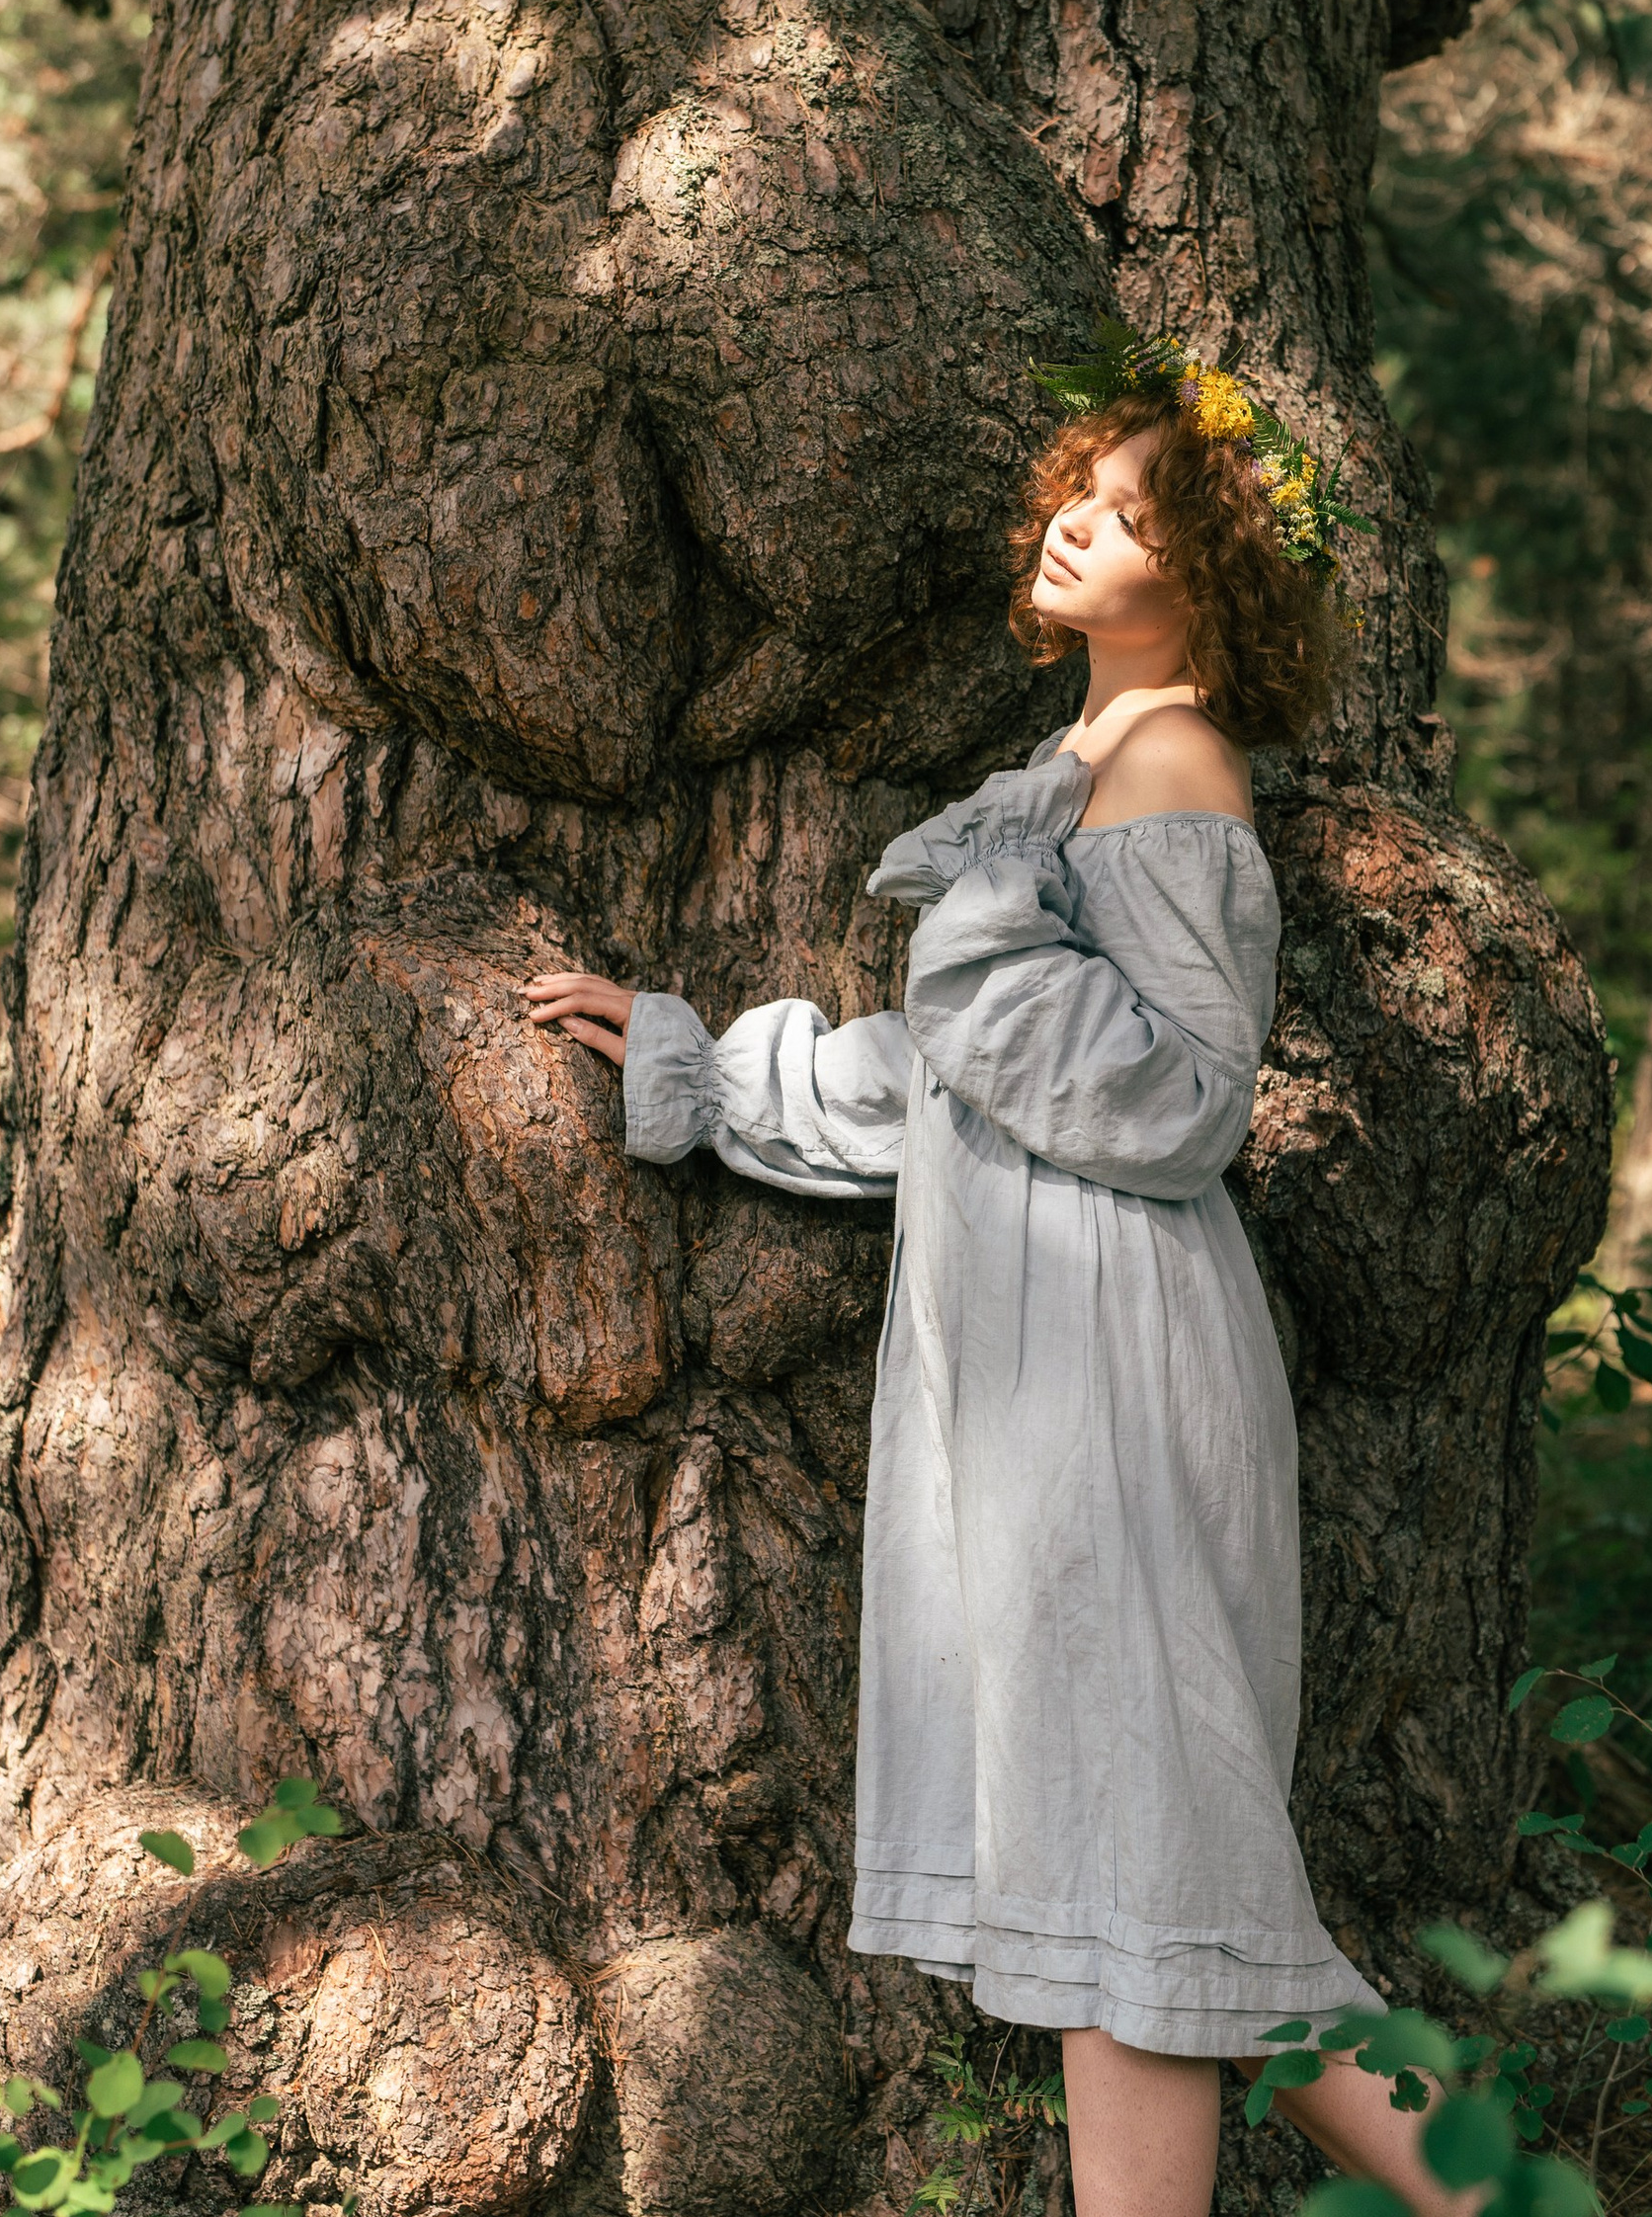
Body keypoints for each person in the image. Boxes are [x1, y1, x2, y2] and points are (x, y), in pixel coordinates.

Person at [531, 336, 1478, 2217]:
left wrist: (970, 964)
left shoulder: (1174, 758)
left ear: (1205, 580)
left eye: (1132, 518)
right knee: (1168, 1919)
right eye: (1084, 489)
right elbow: (965, 1079)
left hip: (1116, 1367)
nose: (1078, 524)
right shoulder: (1073, 768)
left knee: (1160, 1897)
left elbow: (1185, 1097)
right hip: (1033, 1356)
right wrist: (711, 1061)